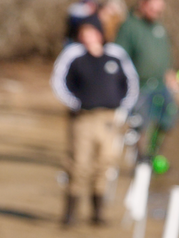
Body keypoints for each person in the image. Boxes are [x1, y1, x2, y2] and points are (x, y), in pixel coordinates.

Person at [51, 15, 139, 226]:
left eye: (91, 31)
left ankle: (97, 212)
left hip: (109, 119)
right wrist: (75, 103)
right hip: (83, 119)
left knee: (105, 163)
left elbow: (130, 83)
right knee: (79, 163)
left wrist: (123, 108)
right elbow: (58, 81)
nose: (87, 36)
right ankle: (70, 213)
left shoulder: (116, 55)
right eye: (83, 32)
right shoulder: (73, 55)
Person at [114, 0, 179, 140]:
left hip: (160, 85)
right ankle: (140, 158)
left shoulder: (159, 28)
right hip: (138, 86)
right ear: (143, 3)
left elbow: (165, 54)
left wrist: (170, 73)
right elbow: (119, 57)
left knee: (169, 118)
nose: (157, 12)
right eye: (153, 7)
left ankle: (152, 155)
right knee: (141, 122)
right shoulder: (129, 27)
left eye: (160, 9)